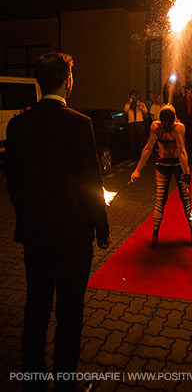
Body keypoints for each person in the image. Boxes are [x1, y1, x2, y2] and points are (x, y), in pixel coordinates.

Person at [7, 52, 111, 392]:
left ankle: (32, 379)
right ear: (67, 80)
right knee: (69, 311)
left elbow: (13, 181)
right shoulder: (79, 123)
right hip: (73, 235)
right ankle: (65, 381)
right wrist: (102, 229)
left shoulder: (18, 124)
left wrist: (26, 216)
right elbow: (91, 182)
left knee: (36, 306)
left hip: (36, 234)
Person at [130, 105, 192, 248]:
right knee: (186, 199)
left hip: (163, 165)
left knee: (160, 200)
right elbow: (181, 152)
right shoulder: (179, 127)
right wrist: (187, 172)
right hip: (177, 165)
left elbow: (148, 149)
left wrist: (137, 170)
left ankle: (155, 235)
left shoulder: (156, 127)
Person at [124, 90, 149, 156]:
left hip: (140, 122)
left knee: (141, 140)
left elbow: (146, 111)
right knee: (133, 141)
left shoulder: (140, 103)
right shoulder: (128, 104)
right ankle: (134, 157)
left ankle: (142, 156)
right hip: (131, 123)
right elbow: (125, 110)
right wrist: (130, 103)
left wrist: (141, 106)